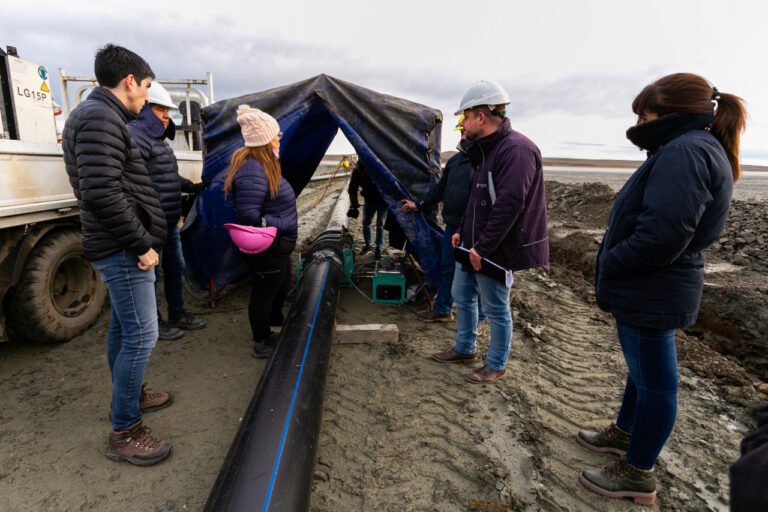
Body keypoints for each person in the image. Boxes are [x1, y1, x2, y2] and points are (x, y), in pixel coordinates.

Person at [576, 73, 746, 505]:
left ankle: (637, 472)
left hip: (651, 286)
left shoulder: (685, 152)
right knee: (644, 372)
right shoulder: (692, 147)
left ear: (671, 116)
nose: (638, 122)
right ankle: (626, 433)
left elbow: (663, 235)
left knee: (656, 384)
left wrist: (612, 261)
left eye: (644, 114)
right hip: (659, 284)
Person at [62, 44, 172, 465]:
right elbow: (102, 193)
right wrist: (142, 243)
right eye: (145, 87)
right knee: (143, 334)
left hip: (119, 244)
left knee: (123, 331)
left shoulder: (98, 116)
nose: (147, 97)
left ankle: (133, 395)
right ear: (129, 81)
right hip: (123, 247)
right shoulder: (100, 118)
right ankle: (125, 430)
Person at [431, 80, 549, 384]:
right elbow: (478, 197)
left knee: (495, 308)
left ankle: (496, 364)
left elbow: (509, 205)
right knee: (463, 295)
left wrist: (482, 248)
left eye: (464, 118)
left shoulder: (517, 150)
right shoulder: (486, 151)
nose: (462, 124)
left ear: (480, 116)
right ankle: (465, 348)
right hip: (472, 242)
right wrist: (462, 233)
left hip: (496, 249)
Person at [127, 81, 208, 341]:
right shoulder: (135, 136)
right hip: (151, 222)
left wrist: (192, 187)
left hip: (170, 221)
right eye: (161, 109)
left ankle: (177, 313)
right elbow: (133, 183)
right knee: (152, 274)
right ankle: (155, 323)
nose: (167, 116)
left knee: (175, 267)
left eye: (168, 111)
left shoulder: (159, 140)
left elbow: (167, 177)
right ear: (145, 109)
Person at [222, 105, 297, 359]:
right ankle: (261, 342)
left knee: (281, 282)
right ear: (265, 140)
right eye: (276, 134)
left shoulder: (265, 164)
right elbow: (248, 215)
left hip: (277, 245)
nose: (280, 137)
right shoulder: (253, 169)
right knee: (264, 293)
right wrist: (279, 225)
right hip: (269, 247)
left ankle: (274, 323)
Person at [401, 123, 484, 324]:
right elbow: (439, 190)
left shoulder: (483, 161)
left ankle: (479, 320)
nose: (463, 135)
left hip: (475, 229)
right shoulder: (455, 162)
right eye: (461, 133)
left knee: (477, 274)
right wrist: (418, 205)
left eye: (465, 132)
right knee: (448, 268)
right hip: (452, 226)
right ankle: (443, 310)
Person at [347, 159, 387, 259]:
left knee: (380, 225)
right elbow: (352, 187)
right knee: (366, 223)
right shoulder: (358, 170)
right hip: (369, 201)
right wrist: (354, 203)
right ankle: (368, 245)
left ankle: (379, 248)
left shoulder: (380, 164)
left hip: (383, 201)